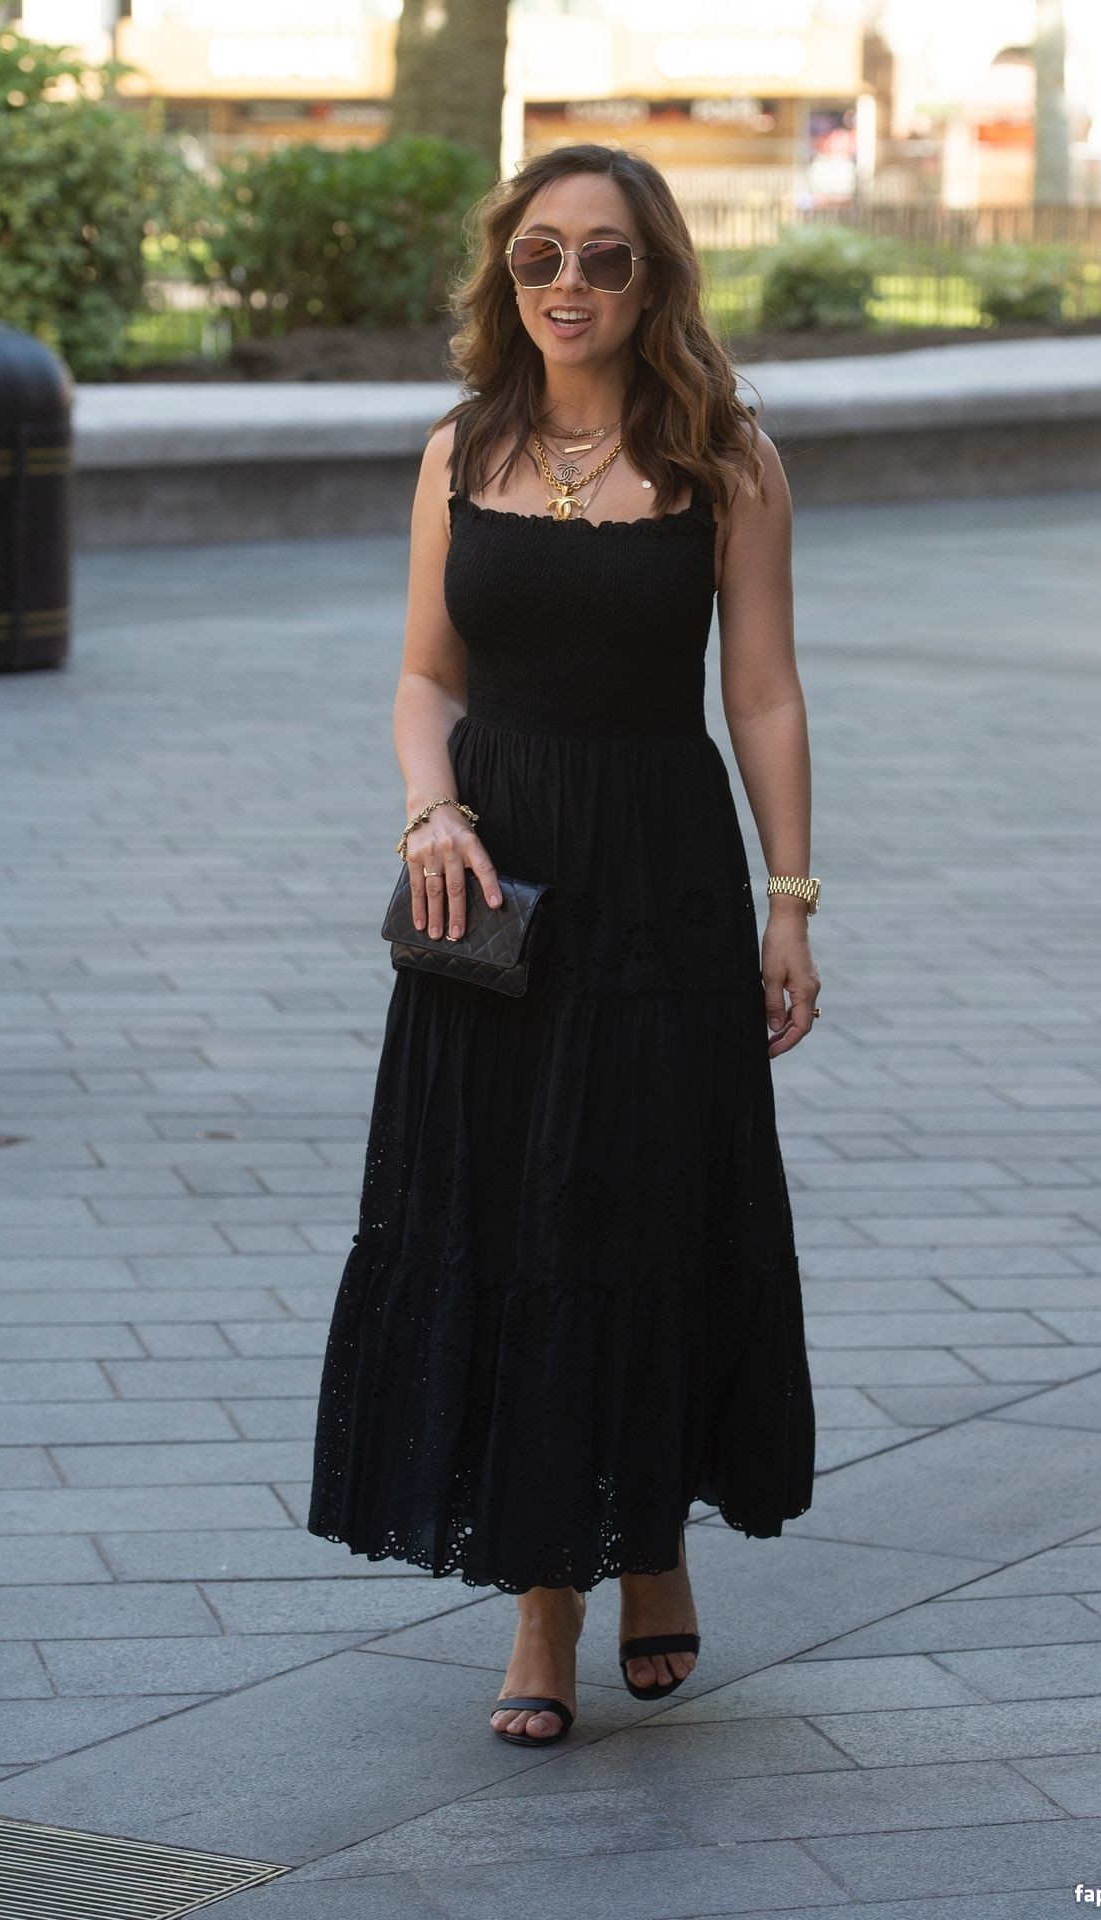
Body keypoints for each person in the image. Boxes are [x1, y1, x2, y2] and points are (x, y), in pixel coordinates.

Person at [307, 141, 820, 1747]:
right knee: (510, 1217)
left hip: (662, 880)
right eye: (541, 255)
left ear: (655, 276)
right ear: (505, 274)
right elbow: (426, 679)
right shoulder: (460, 449)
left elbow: (762, 694)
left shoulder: (726, 457)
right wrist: (429, 813)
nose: (570, 284)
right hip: (497, 890)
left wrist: (791, 900)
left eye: (606, 255)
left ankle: (650, 1542)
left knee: (645, 1208)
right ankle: (545, 1604)